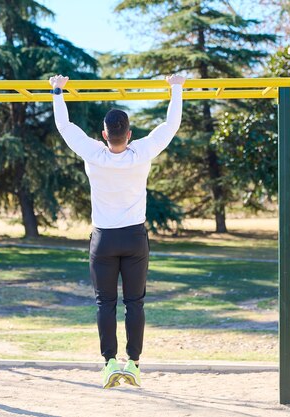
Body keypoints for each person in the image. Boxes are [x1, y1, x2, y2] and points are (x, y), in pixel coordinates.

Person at [49, 73, 185, 388]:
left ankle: (110, 362)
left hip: (104, 239)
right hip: (135, 237)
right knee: (134, 302)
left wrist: (58, 90)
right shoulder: (141, 153)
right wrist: (175, 87)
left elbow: (65, 127)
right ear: (130, 133)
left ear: (104, 133)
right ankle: (133, 364)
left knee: (104, 303)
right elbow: (170, 126)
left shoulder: (94, 154)